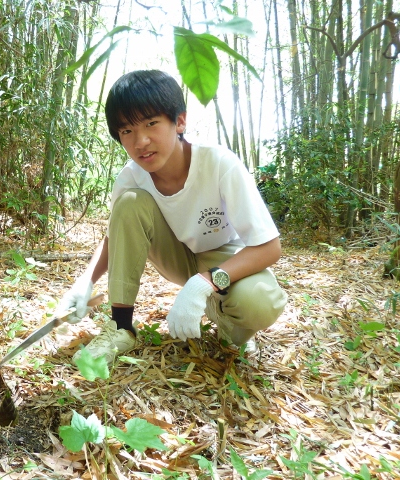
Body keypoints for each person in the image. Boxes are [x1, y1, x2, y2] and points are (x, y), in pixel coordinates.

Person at [58, 70, 288, 365]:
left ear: (179, 122)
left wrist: (204, 284)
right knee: (129, 203)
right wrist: (86, 281)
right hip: (174, 255)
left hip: (222, 255)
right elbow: (114, 236)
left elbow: (269, 247)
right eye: (127, 131)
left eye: (151, 124)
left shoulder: (219, 164)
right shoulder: (131, 178)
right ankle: (121, 326)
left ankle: (226, 318)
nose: (140, 141)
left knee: (259, 302)